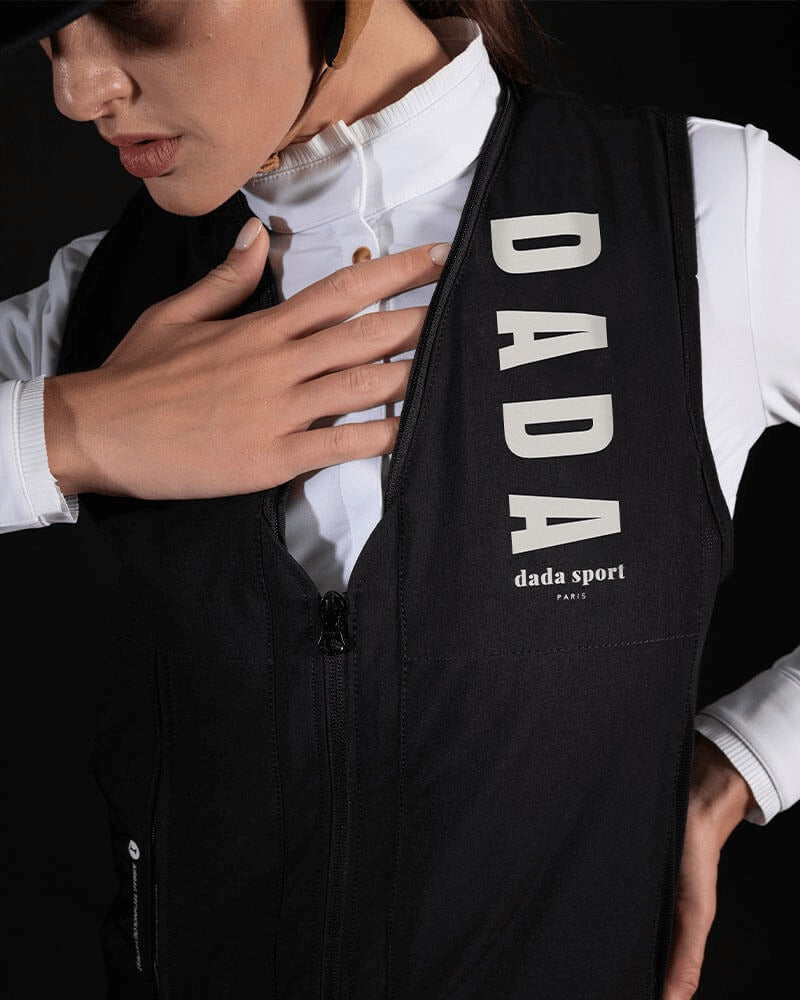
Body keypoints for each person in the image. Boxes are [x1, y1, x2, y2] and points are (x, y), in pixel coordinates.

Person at [1, 2, 797, 998]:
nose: (78, 90)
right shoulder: (99, 310)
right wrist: (73, 431)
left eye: (133, 11)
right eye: (49, 34)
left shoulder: (699, 206)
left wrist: (744, 760)